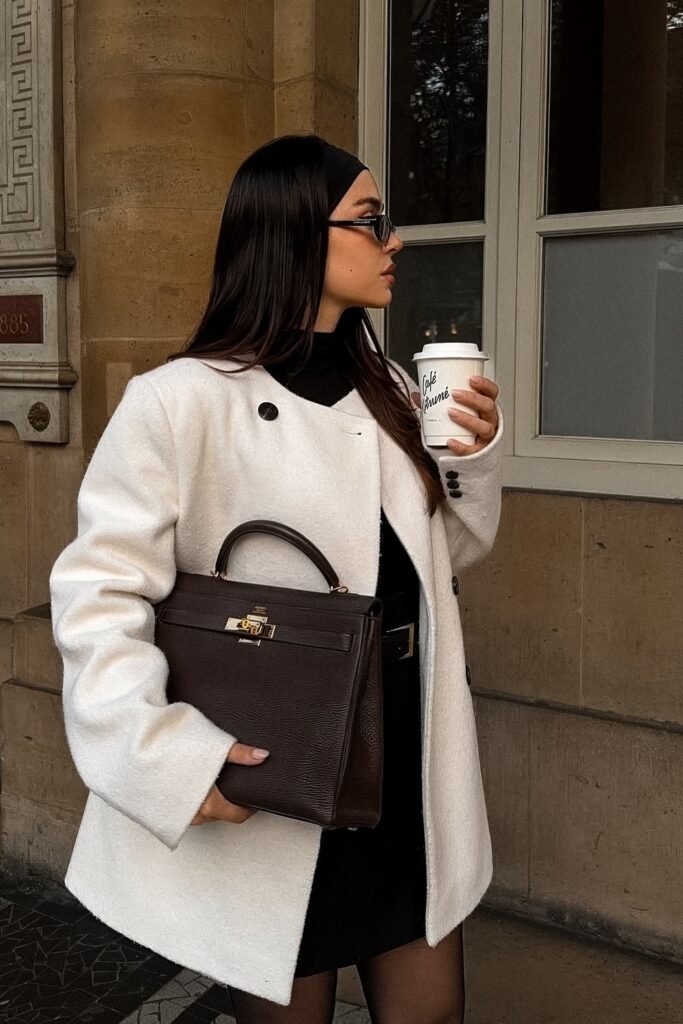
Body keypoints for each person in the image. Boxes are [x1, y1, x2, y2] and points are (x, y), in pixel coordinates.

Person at [49, 134, 503, 1024]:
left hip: (404, 756)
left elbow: (443, 565)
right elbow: (98, 600)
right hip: (280, 769)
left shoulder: (393, 391)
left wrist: (472, 460)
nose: (393, 241)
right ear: (296, 229)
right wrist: (172, 760)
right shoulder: (179, 402)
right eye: (370, 221)